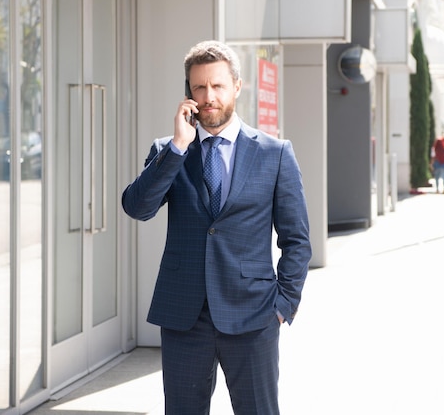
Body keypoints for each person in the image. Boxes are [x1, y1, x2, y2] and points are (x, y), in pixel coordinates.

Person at [122, 40, 312, 415]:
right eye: (199, 87)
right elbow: (138, 208)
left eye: (218, 86)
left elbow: (297, 240)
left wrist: (282, 305)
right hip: (183, 316)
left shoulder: (274, 153)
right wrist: (178, 146)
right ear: (188, 94)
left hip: (254, 315)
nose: (209, 96)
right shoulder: (169, 150)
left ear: (237, 87)